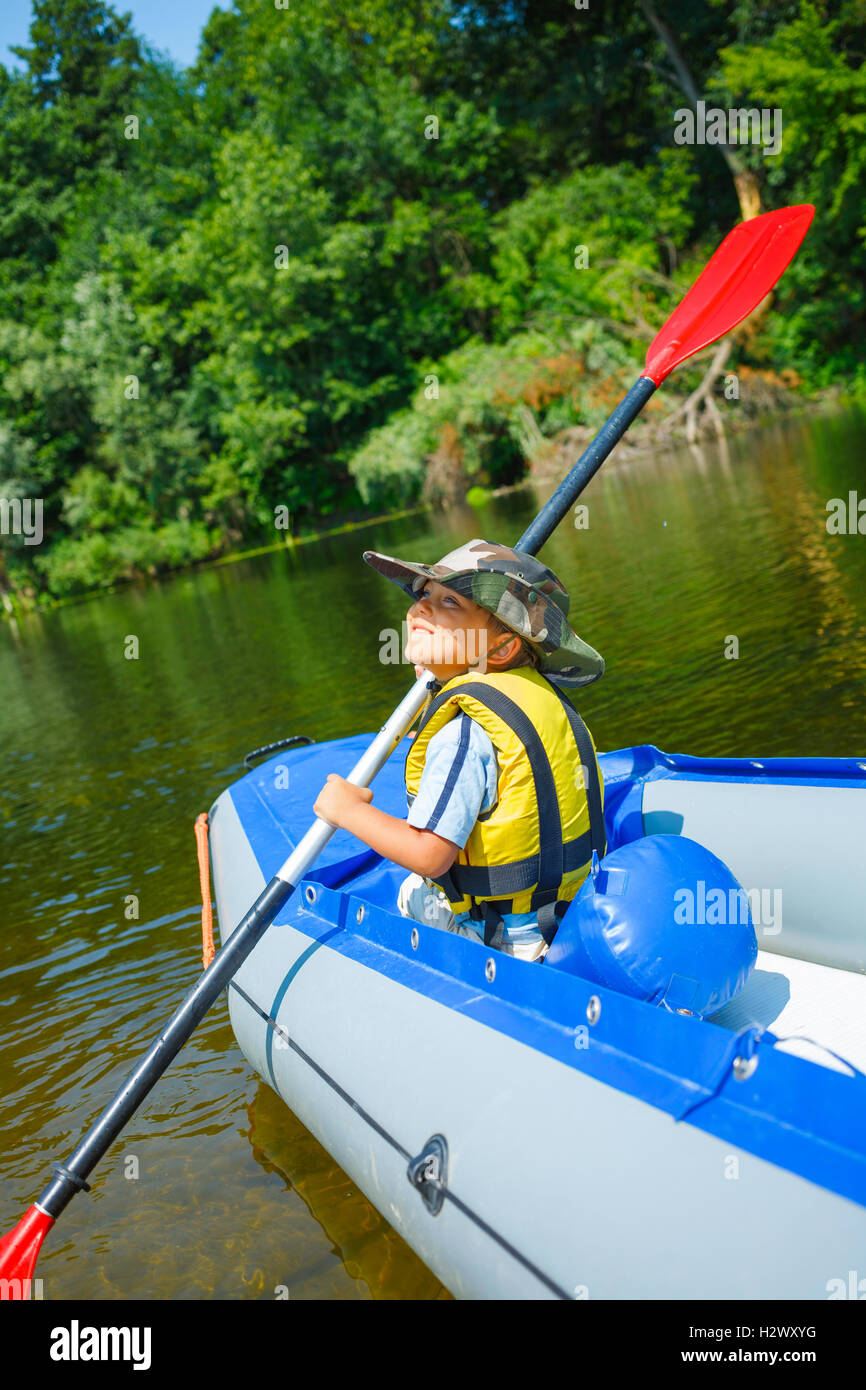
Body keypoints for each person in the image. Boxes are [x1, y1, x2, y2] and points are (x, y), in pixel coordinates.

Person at [313, 538, 606, 961]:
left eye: (450, 602)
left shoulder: (462, 735)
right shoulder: (532, 697)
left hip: (502, 943)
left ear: (503, 648)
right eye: (425, 594)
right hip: (565, 919)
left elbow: (428, 856)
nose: (420, 608)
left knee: (413, 890)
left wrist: (348, 811)